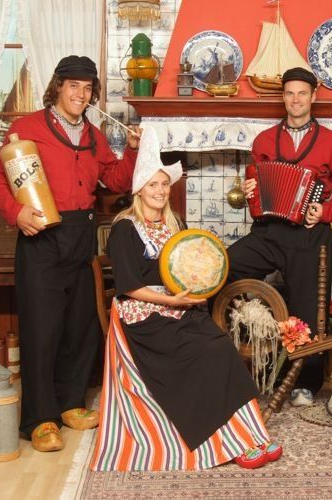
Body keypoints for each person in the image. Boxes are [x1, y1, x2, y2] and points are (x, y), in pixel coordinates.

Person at [90, 127, 281, 471]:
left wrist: (196, 289)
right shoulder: (124, 229)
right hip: (143, 314)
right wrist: (173, 303)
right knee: (203, 351)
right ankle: (222, 439)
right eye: (153, 185)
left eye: (165, 184)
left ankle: (247, 433)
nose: (161, 191)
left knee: (219, 345)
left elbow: (191, 264)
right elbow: (129, 286)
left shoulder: (173, 223)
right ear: (139, 190)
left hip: (177, 308)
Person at [0, 55, 140, 452]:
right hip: (41, 237)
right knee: (42, 330)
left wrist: (135, 153)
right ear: (57, 87)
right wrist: (16, 212)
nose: (80, 93)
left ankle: (71, 403)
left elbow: (116, 180)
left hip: (81, 234)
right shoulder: (27, 129)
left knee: (81, 326)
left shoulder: (95, 135)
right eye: (73, 85)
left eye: (88, 88)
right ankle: (40, 419)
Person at [229, 67, 332, 407]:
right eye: (289, 93)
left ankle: (307, 382)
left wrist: (325, 212)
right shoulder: (263, 141)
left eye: (302, 93)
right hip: (268, 232)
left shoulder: (331, 141)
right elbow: (255, 196)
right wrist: (250, 192)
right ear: (283, 97)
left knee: (308, 308)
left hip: (309, 236)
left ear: (313, 97)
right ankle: (241, 355)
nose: (296, 99)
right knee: (226, 267)